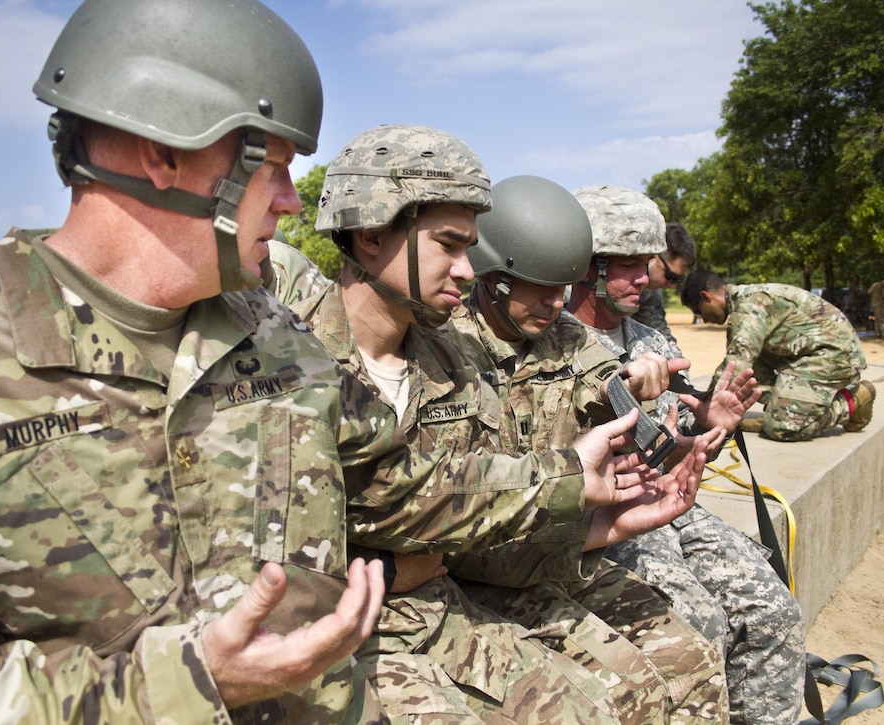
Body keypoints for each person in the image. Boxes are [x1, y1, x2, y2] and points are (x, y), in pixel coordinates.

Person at [0, 4, 630, 722]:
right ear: (163, 150)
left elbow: (392, 484)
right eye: (271, 166)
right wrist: (184, 684)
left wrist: (567, 477)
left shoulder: (275, 336)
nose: (291, 203)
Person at [297, 128, 713, 721]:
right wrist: (393, 569)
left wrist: (601, 526)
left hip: (440, 605)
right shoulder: (292, 358)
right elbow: (359, 508)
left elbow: (471, 536)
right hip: (338, 629)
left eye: (472, 249)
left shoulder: (451, 364)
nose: (468, 271)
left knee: (605, 704)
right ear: (368, 234)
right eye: (449, 245)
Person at [449, 174, 757, 721]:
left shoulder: (564, 336)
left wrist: (675, 435)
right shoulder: (445, 345)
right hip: (477, 566)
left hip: (554, 550)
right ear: (492, 276)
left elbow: (611, 386)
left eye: (562, 287)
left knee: (692, 657)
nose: (555, 303)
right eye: (539, 286)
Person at [567, 185, 805, 725]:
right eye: (624, 266)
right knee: (698, 623)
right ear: (584, 267)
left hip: (675, 506)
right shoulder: (550, 346)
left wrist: (707, 426)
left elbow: (678, 449)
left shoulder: (654, 342)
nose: (643, 279)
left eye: (644, 264)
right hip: (609, 516)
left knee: (772, 612)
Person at [682, 269, 875, 441]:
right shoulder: (746, 301)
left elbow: (735, 365)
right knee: (751, 369)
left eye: (700, 312)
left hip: (834, 354)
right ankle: (783, 406)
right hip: (809, 353)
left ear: (706, 297)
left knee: (781, 428)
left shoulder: (750, 307)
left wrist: (704, 411)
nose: (705, 319)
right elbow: (744, 364)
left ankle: (851, 402)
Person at [632, 221, 696, 356]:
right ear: (653, 257)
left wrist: (679, 369)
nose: (672, 286)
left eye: (678, 280)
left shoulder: (651, 294)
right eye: (670, 276)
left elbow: (659, 333)